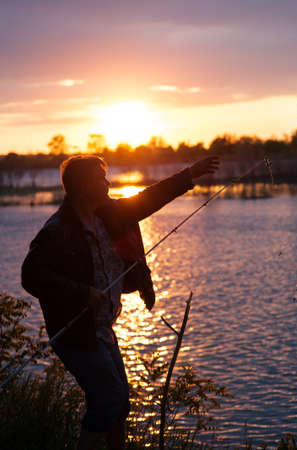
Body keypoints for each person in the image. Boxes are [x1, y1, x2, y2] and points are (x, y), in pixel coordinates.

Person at [21, 154, 219, 450]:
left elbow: (149, 198)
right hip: (76, 335)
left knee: (120, 404)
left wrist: (190, 173)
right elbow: (30, 276)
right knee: (109, 399)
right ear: (83, 186)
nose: (107, 182)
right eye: (100, 178)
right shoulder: (57, 230)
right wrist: (81, 292)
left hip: (102, 329)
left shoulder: (108, 214)